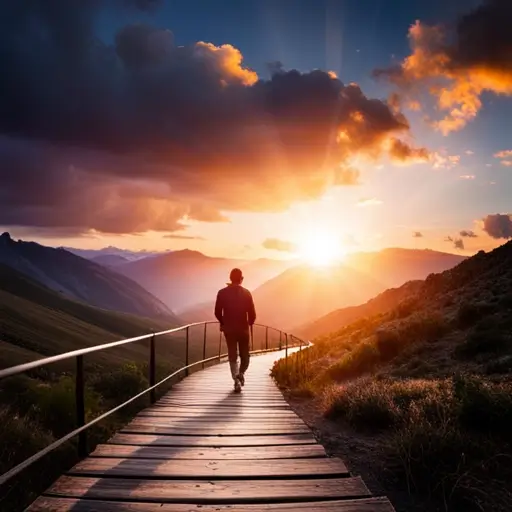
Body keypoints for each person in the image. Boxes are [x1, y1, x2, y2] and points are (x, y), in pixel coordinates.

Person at [214, 268, 256, 392]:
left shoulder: (222, 293)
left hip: (229, 330)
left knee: (232, 355)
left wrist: (223, 322)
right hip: (243, 329)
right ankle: (241, 373)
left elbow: (217, 312)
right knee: (245, 355)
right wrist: (250, 323)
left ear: (230, 279)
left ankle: (236, 380)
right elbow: (252, 314)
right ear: (241, 279)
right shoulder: (247, 293)